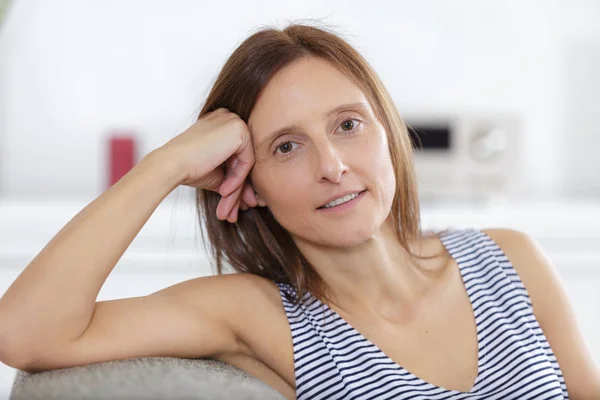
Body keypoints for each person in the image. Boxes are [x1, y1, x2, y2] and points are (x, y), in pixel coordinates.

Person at [0, 22, 598, 400]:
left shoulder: (508, 258)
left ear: (387, 132)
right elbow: (24, 333)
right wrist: (166, 165)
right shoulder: (257, 316)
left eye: (348, 124)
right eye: (286, 146)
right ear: (248, 181)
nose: (332, 165)